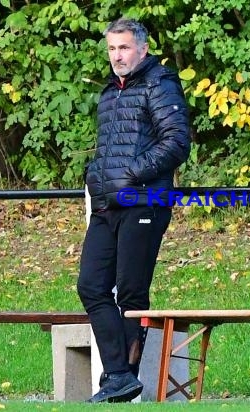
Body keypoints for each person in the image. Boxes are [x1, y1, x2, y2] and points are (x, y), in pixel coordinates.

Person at [77, 18, 191, 403]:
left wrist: (128, 176)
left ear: (142, 49)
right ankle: (119, 375)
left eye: (124, 48)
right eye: (111, 49)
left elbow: (177, 142)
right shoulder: (111, 92)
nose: (117, 56)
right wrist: (96, 177)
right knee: (91, 286)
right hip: (108, 205)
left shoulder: (160, 83)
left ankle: (120, 379)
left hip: (143, 201)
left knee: (130, 291)